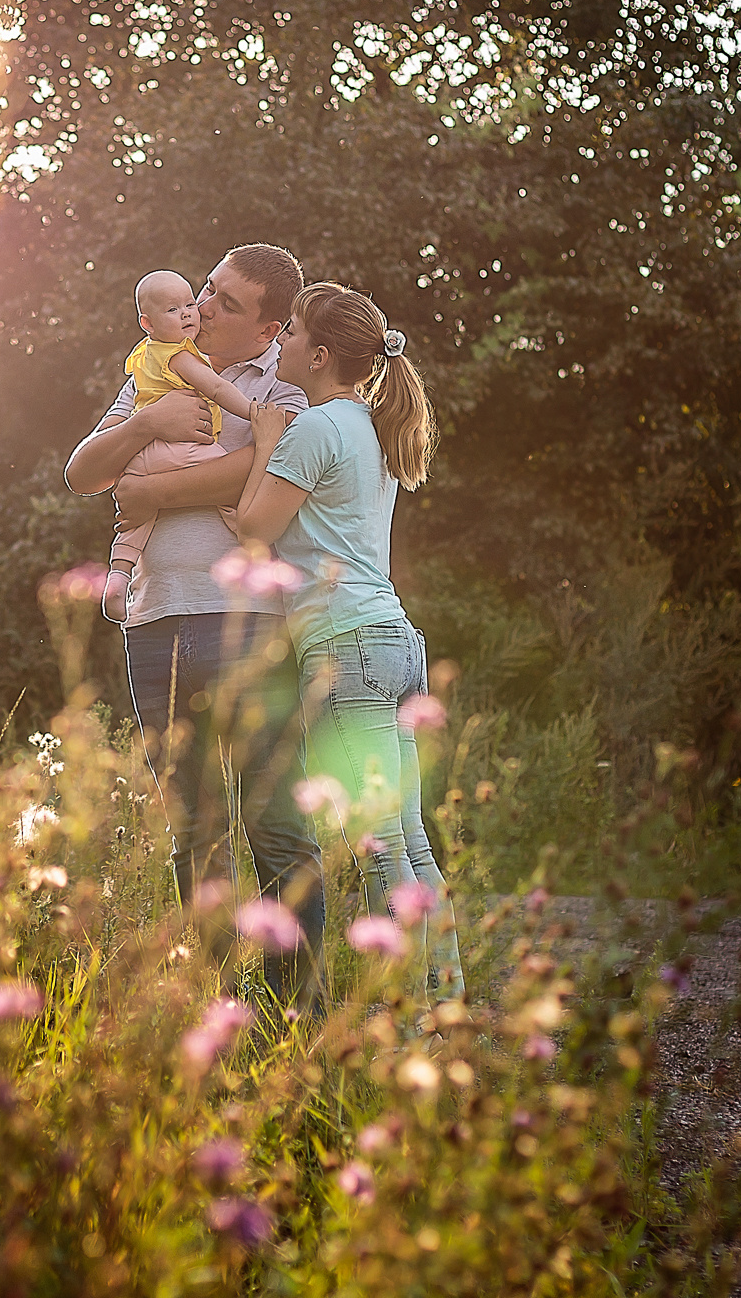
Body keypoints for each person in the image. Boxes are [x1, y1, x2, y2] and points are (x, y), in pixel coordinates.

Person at [64, 244, 325, 1014]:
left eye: (227, 303)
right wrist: (150, 419)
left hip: (249, 623)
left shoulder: (288, 387)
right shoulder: (157, 367)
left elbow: (255, 472)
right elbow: (82, 473)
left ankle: (295, 1020)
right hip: (153, 622)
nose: (204, 307)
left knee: (276, 828)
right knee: (194, 831)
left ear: (270, 325)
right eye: (206, 289)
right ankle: (211, 1013)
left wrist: (145, 492)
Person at [226, 281, 465, 1002]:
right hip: (395, 640)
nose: (282, 343)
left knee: (380, 843)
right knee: (410, 838)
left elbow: (254, 529)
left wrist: (267, 440)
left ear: (321, 354)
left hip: (346, 648)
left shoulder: (315, 428)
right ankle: (446, 1005)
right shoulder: (370, 424)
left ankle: (420, 1020)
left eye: (292, 332)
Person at [102, 270, 258, 621]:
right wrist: (254, 413)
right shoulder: (180, 355)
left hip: (144, 458)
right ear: (148, 323)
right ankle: (245, 535)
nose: (189, 313)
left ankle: (118, 575)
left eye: (189, 304)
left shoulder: (145, 354)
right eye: (173, 310)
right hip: (182, 448)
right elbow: (217, 390)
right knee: (230, 480)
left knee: (136, 522)